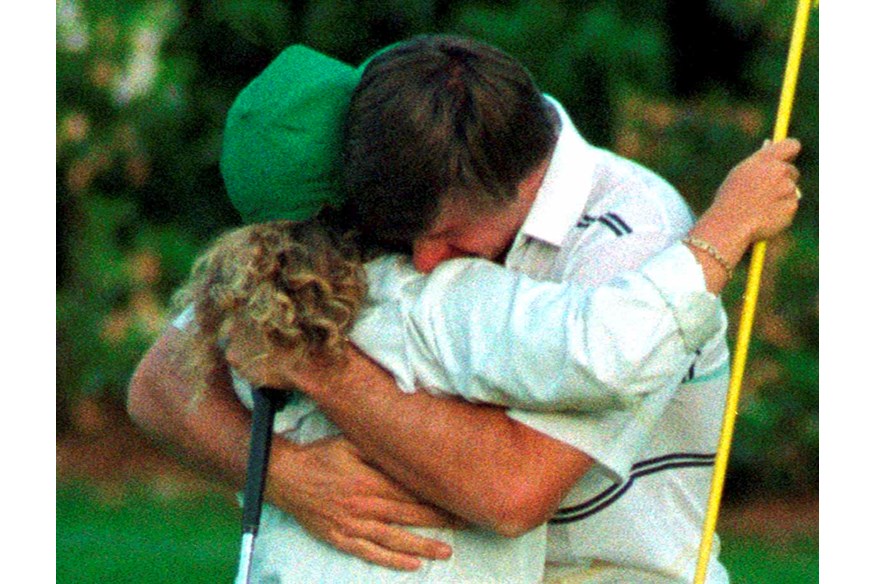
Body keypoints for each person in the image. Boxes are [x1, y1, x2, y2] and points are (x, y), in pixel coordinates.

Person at [128, 38, 801, 583]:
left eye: (448, 234)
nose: (419, 260)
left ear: (518, 182)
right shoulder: (367, 228)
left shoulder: (632, 235)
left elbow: (510, 490)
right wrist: (285, 473)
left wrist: (317, 364)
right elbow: (158, 383)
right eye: (400, 233)